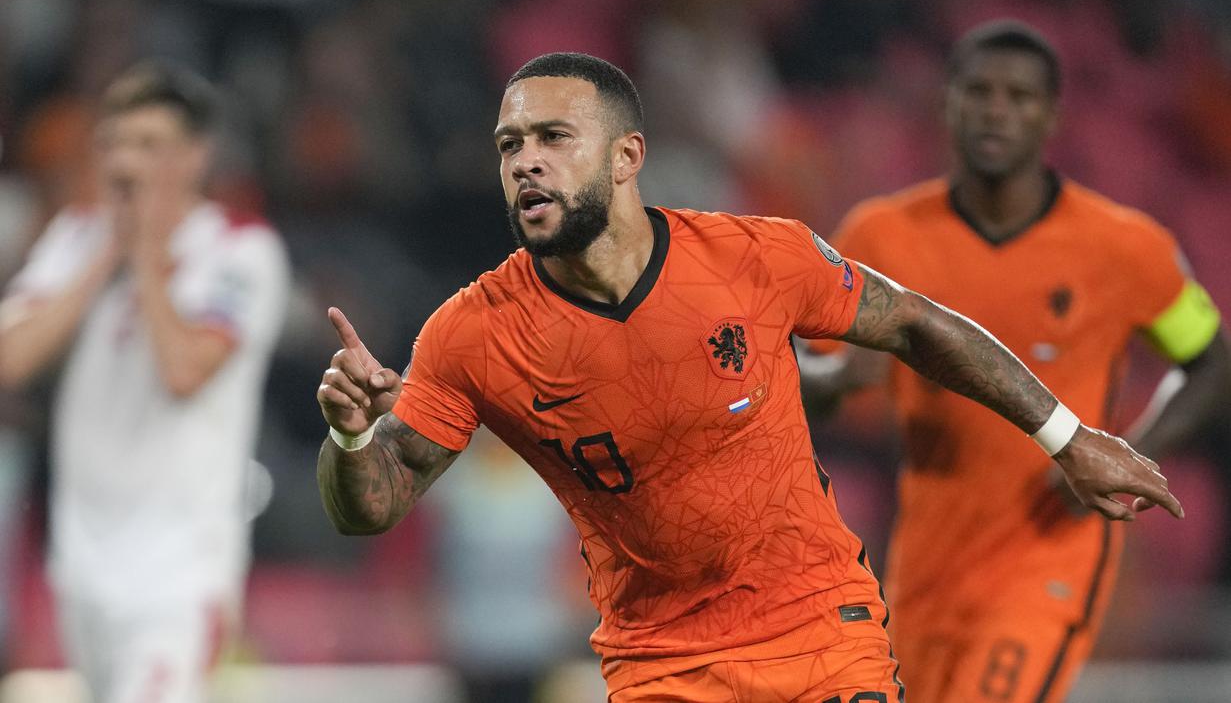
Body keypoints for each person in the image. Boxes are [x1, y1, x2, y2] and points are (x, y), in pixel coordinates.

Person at [315, 52, 1182, 703]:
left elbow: (915, 324)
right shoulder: (473, 332)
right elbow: (373, 505)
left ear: (625, 157)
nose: (524, 163)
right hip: (661, 664)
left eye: (551, 138)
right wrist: (350, 435)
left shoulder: (755, 258)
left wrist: (1067, 438)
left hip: (816, 629)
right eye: (509, 145)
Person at [799, 21, 1229, 703]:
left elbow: (1210, 362)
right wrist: (831, 379)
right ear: (947, 105)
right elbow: (812, 379)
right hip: (923, 563)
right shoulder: (879, 235)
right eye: (978, 91)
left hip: (1046, 554)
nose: (996, 110)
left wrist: (1131, 454)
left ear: (1052, 115)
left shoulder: (1125, 248)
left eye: (1018, 96)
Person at [0, 62, 289, 703]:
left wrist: (145, 258)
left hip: (180, 574)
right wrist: (108, 252)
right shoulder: (76, 237)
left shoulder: (239, 250)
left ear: (194, 156)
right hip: (82, 563)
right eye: (114, 144)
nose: (126, 163)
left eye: (149, 146)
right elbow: (11, 358)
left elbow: (185, 371)